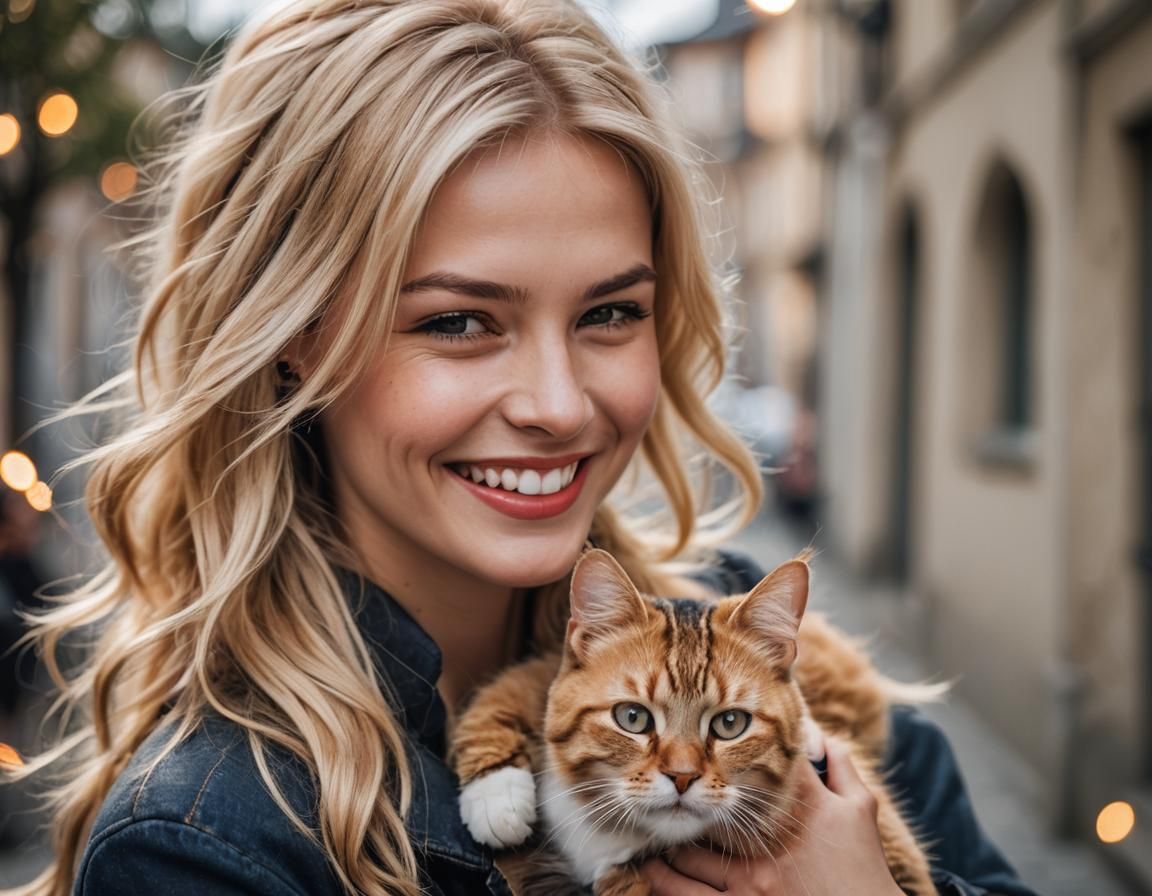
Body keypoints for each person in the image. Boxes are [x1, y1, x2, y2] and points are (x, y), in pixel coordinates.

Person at [6, 1, 1038, 894]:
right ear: (288, 343)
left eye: (611, 312)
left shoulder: (760, 642)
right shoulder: (209, 841)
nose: (557, 404)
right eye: (459, 321)